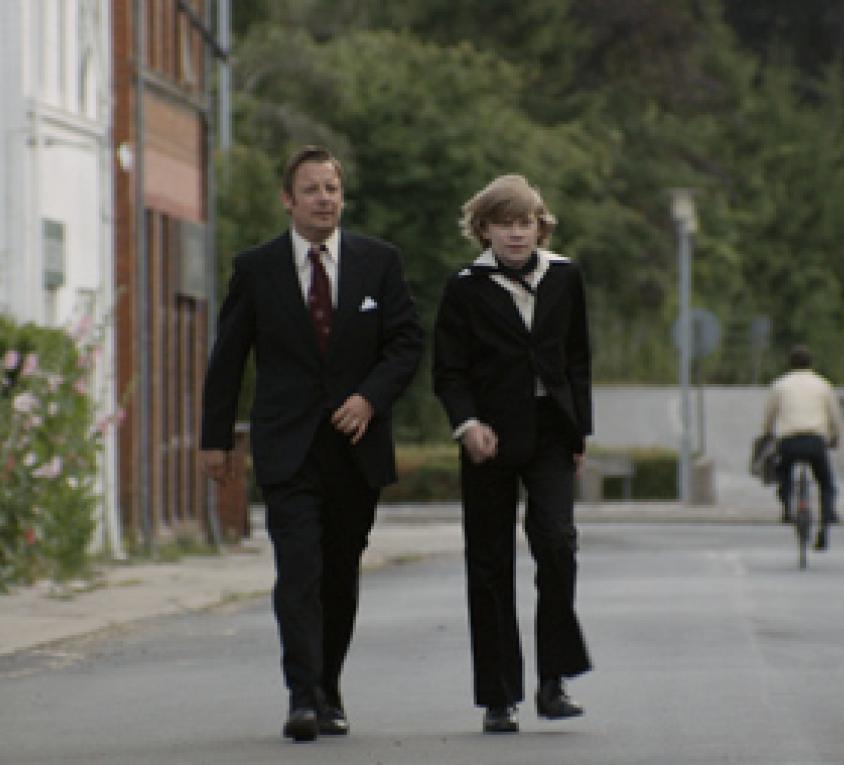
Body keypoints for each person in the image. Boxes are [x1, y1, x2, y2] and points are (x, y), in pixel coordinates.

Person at [199, 145, 423, 742]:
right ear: (288, 199)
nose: (324, 199)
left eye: (332, 188)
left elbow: (406, 343)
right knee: (298, 569)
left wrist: (369, 398)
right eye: (312, 189)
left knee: (339, 575)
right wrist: (215, 440)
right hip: (287, 447)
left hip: (355, 448)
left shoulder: (380, 263)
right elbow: (228, 357)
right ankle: (302, 695)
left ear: (342, 197)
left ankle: (329, 688)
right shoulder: (257, 269)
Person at [433, 174, 593, 734]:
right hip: (490, 439)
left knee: (557, 543)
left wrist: (579, 433)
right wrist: (468, 425)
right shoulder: (464, 289)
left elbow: (578, 360)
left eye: (525, 223)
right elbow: (448, 371)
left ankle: (554, 680)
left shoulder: (565, 277)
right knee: (489, 561)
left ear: (540, 226)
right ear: (484, 230)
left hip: (551, 433)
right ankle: (498, 696)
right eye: (504, 224)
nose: (516, 233)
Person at [762, 344, 841, 550]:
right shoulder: (823, 385)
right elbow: (835, 417)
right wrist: (835, 437)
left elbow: (769, 416)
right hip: (815, 441)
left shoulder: (780, 385)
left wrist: (768, 433)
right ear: (811, 363)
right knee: (826, 482)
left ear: (790, 364)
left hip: (789, 441)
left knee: (784, 472)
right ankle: (826, 521)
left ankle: (787, 507)